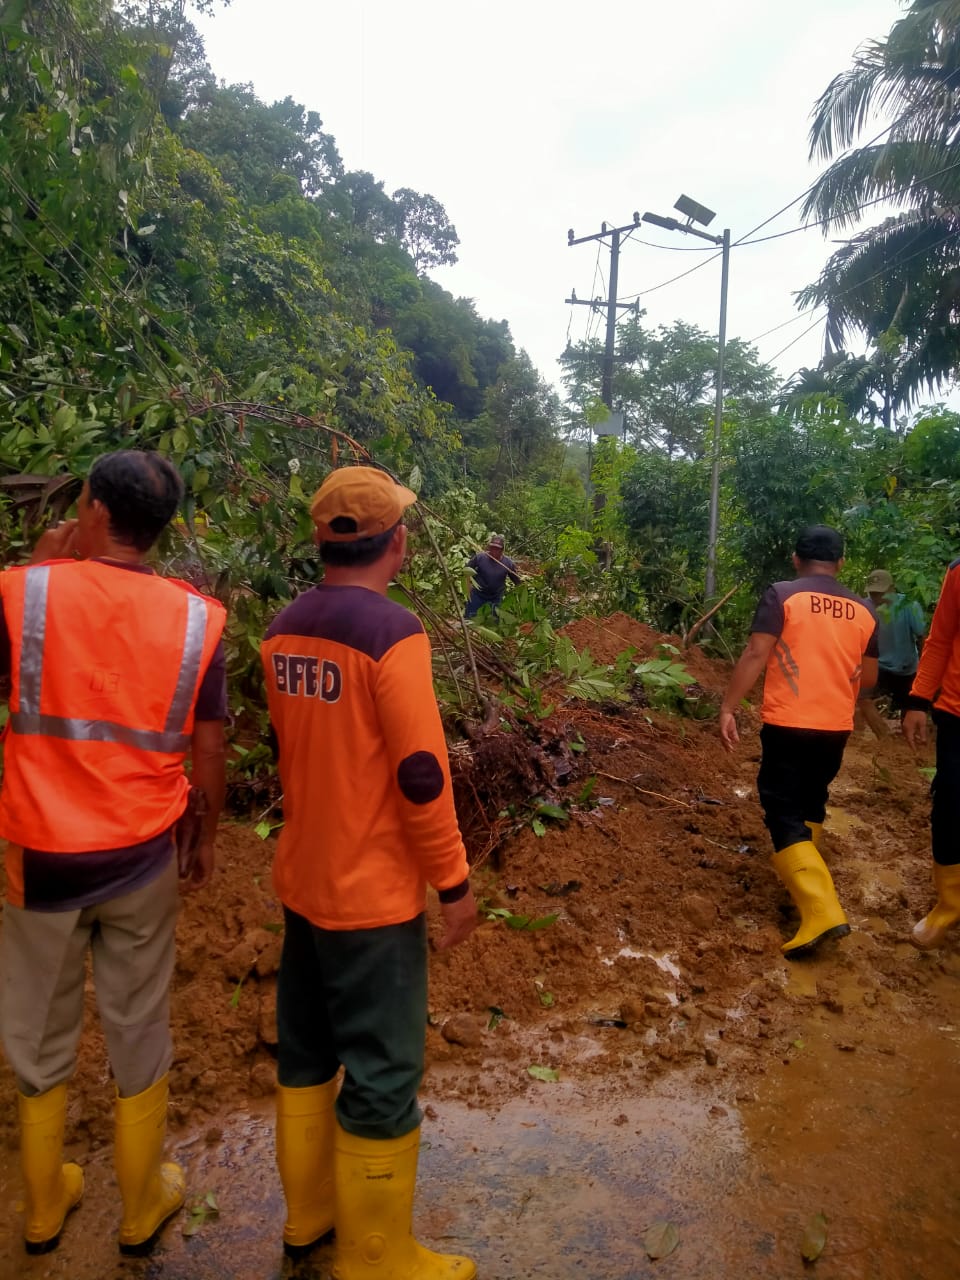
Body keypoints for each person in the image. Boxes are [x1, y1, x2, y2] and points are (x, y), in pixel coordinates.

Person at [0, 450, 227, 1256]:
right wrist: (204, 831)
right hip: (141, 854)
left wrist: (40, 564)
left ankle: (41, 1206)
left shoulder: (24, 591)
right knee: (138, 1022)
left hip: (41, 852)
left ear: (93, 507)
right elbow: (208, 743)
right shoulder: (197, 617)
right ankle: (140, 1205)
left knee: (37, 1026)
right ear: (161, 532)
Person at [261, 465, 478, 1278]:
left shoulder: (283, 628)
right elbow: (420, 773)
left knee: (308, 1052)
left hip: (304, 882)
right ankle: (378, 1258)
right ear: (397, 542)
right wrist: (452, 883)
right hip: (372, 899)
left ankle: (308, 1219)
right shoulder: (393, 633)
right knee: (383, 1073)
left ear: (324, 540)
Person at [719, 525, 879, 958]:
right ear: (841, 563)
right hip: (836, 726)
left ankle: (821, 908)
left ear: (796, 559)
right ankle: (806, 888)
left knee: (781, 805)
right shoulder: (865, 610)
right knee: (812, 800)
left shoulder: (783, 595)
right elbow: (869, 678)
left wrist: (729, 707)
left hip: (790, 722)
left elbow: (756, 653)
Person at [903, 556, 960, 948]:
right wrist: (919, 698)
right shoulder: (959, 572)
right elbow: (939, 639)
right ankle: (950, 904)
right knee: (951, 807)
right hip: (957, 714)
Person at [857, 568, 925, 736]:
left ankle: (907, 743)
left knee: (908, 708)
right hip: (877, 665)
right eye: (873, 593)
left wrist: (924, 668)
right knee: (862, 697)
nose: (877, 598)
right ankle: (884, 739)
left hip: (906, 666)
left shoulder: (909, 606)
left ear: (892, 589)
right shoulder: (863, 607)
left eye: (881, 593)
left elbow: (922, 636)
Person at [464, 533, 520, 619]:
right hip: (478, 595)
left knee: (493, 622)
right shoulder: (480, 557)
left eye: (497, 549)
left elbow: (517, 581)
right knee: (470, 618)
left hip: (495, 597)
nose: (494, 551)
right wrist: (469, 586)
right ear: (489, 547)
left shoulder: (508, 563)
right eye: (492, 548)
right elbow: (467, 570)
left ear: (502, 550)